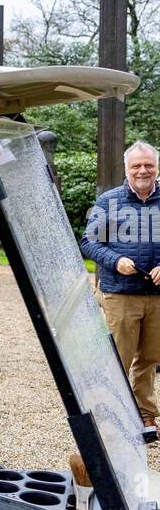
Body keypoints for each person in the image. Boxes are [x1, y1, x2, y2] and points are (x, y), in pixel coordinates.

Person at [80, 141, 160, 430]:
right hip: (120, 293)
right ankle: (108, 416)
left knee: (150, 359)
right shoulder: (108, 201)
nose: (142, 170)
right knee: (118, 359)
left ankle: (144, 414)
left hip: (157, 296)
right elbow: (88, 242)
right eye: (136, 165)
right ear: (126, 169)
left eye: (148, 165)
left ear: (156, 167)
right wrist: (115, 261)